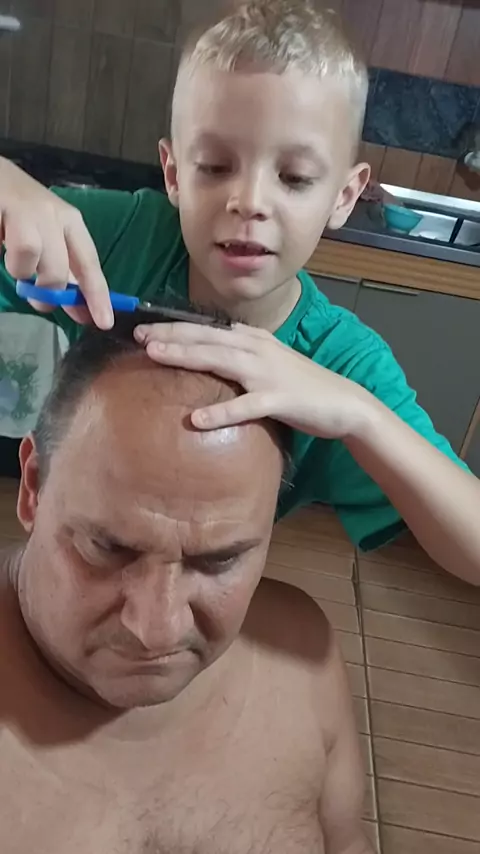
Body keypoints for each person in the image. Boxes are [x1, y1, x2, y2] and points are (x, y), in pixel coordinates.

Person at [0, 0, 479, 583]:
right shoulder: (119, 238)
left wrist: (360, 416)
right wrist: (9, 184)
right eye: (214, 166)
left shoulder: (341, 363)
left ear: (344, 196)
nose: (250, 202)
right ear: (174, 173)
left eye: (294, 178)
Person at [0, 319, 373, 854]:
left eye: (220, 560)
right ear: (34, 487)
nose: (157, 629)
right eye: (108, 548)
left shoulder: (301, 654)